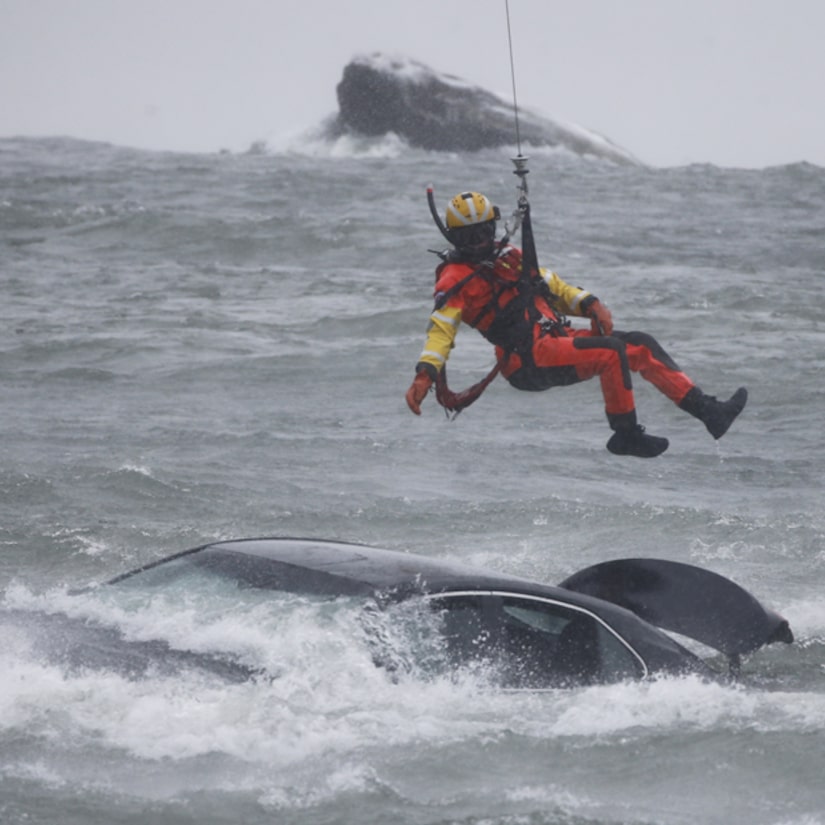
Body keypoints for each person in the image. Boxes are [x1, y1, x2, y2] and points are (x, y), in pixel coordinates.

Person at [405, 191, 747, 458]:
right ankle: (626, 434)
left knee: (640, 346)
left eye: (484, 232)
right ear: (455, 239)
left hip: (555, 340)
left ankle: (709, 412)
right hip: (527, 361)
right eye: (470, 238)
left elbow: (554, 286)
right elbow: (441, 330)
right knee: (611, 353)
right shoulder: (454, 280)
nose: (481, 242)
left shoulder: (509, 258)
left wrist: (590, 303)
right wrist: (425, 374)